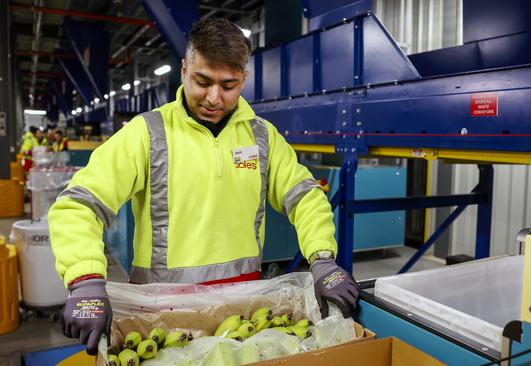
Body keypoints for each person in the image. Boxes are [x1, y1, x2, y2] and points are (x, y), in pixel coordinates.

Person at [48, 17, 359, 355]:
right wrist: (86, 280)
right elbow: (78, 205)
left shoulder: (262, 138)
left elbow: (304, 197)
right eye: (203, 81)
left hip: (242, 309)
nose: (214, 97)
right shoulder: (147, 134)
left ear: (244, 79)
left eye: (229, 85)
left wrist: (323, 259)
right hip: (161, 313)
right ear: (184, 70)